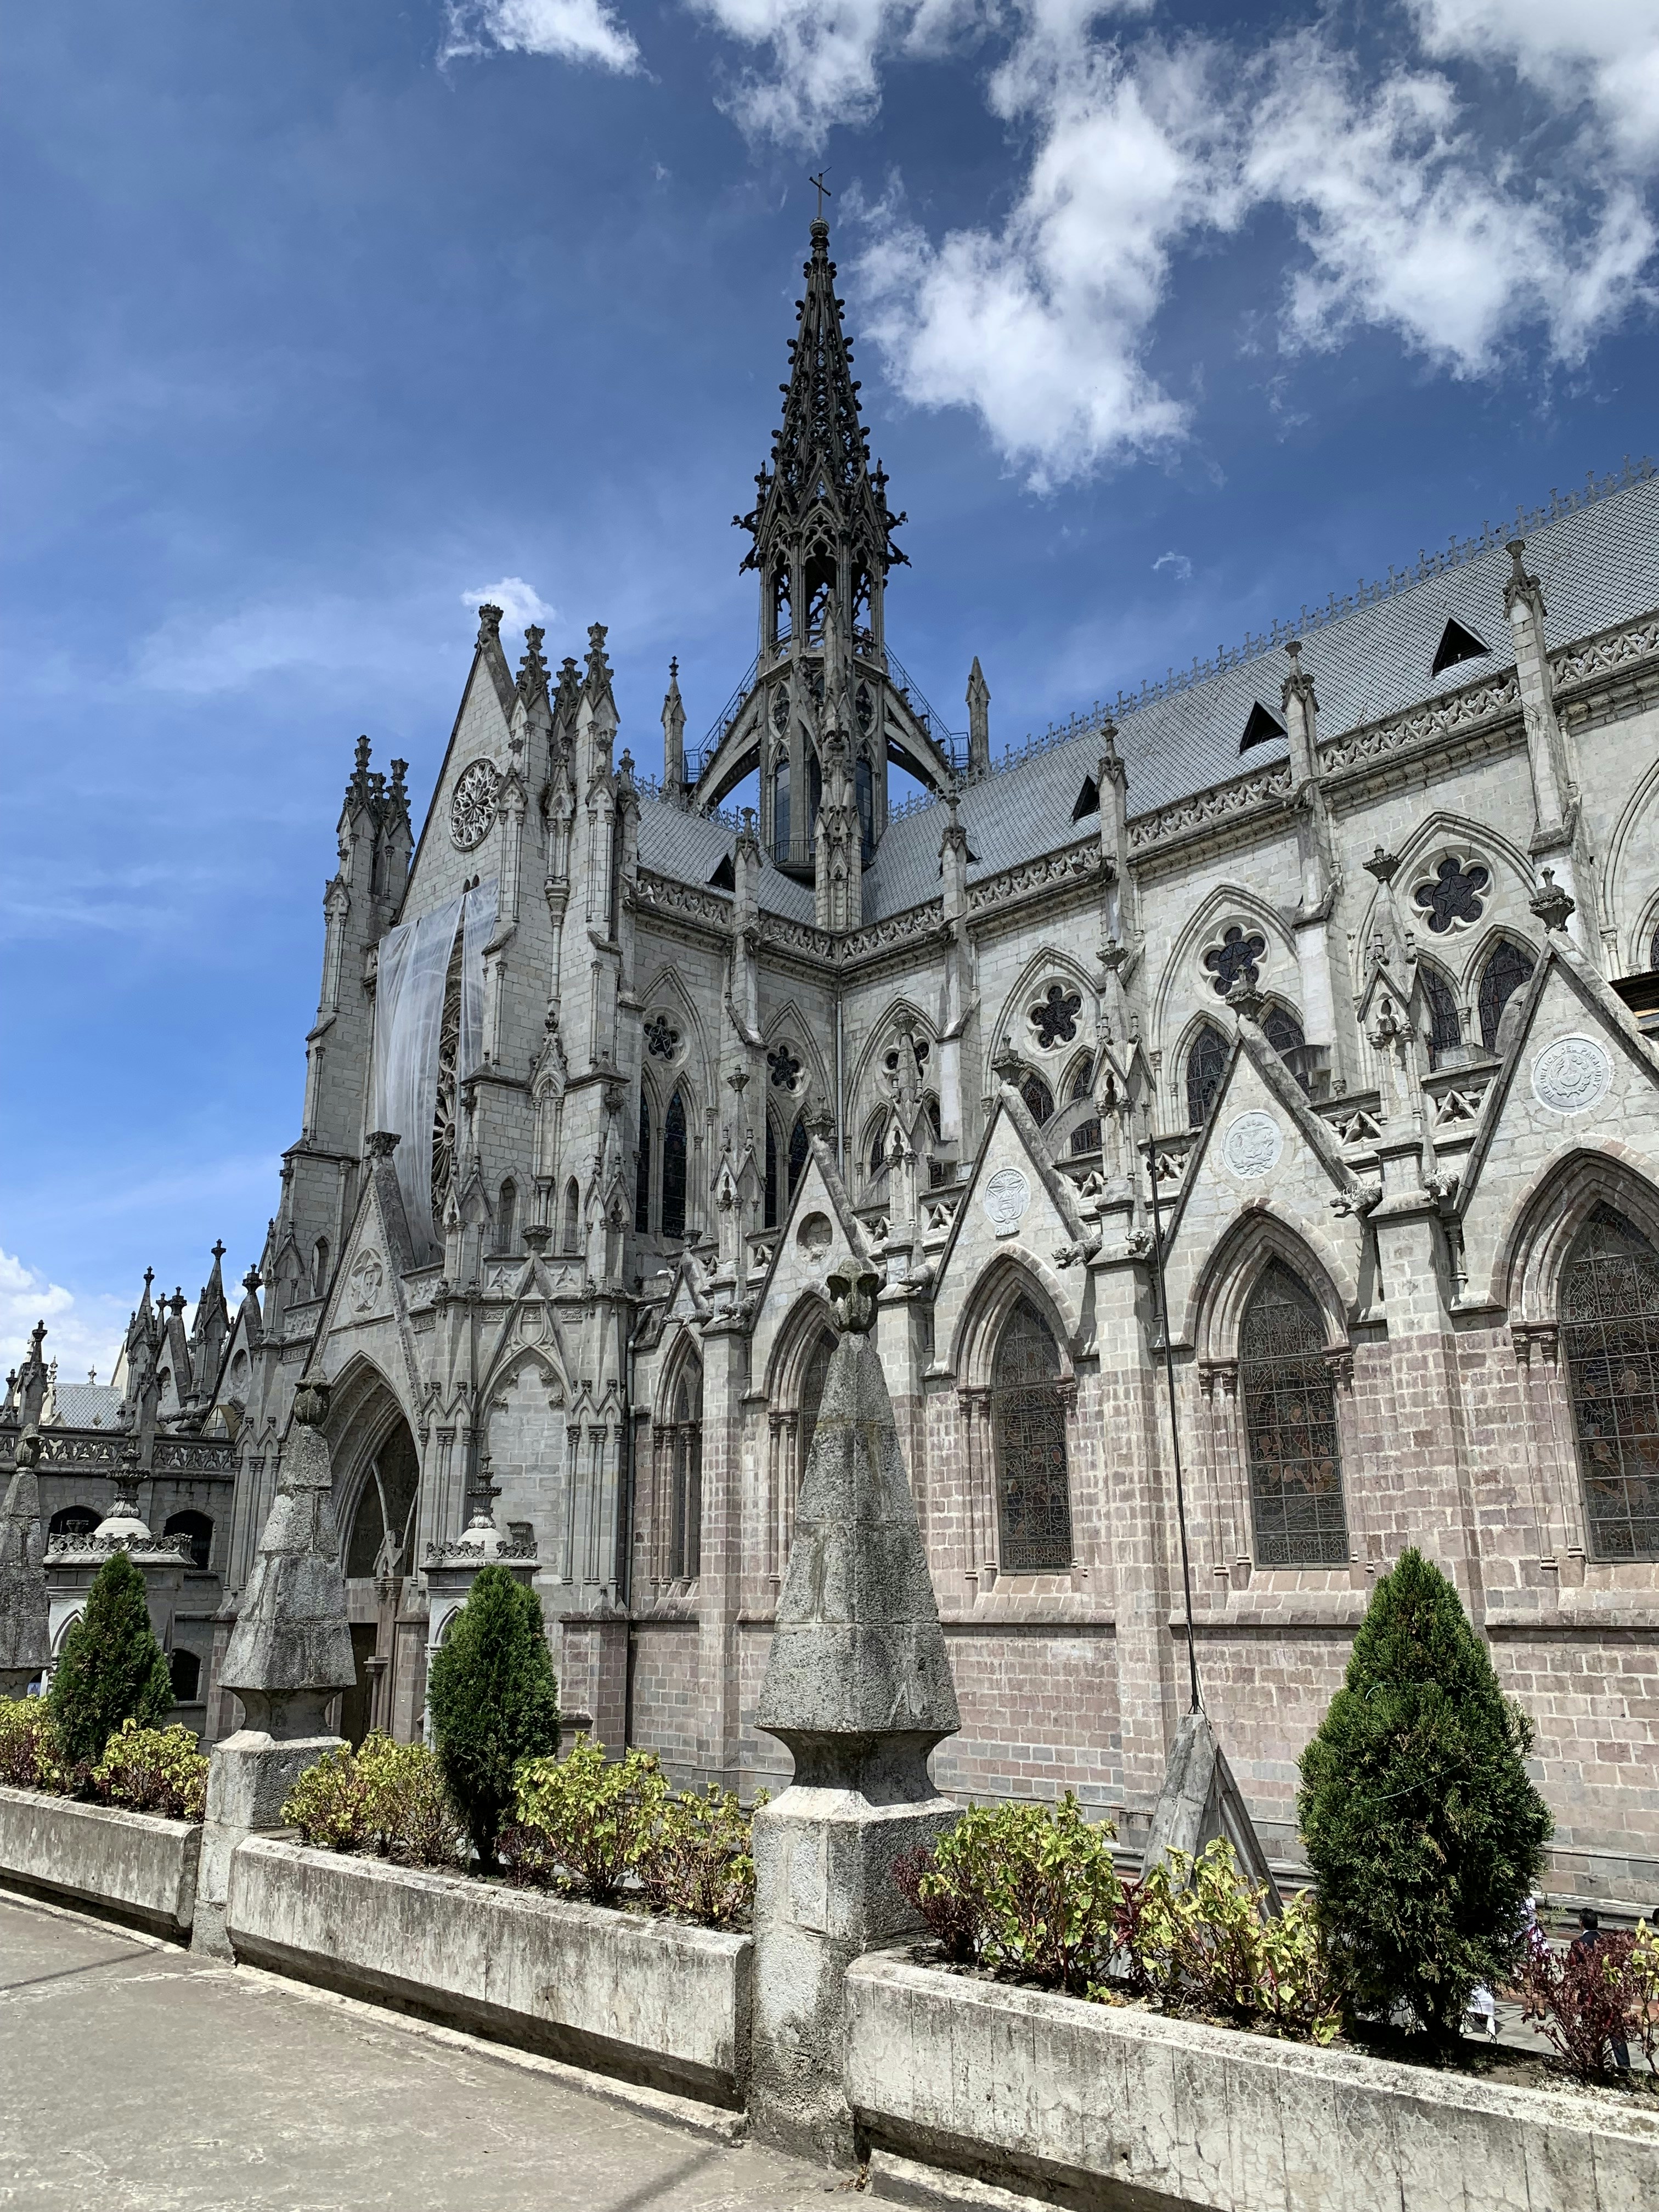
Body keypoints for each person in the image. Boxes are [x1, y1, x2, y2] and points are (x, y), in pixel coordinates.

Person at [1571, 1908, 1631, 2072]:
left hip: (1589, 1993)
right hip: (1608, 1991)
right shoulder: (1607, 1942)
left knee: (1591, 2028)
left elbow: (1574, 1969)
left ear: (1581, 1923)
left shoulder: (1578, 1944)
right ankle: (1624, 2065)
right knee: (1614, 2028)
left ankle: (1593, 2062)